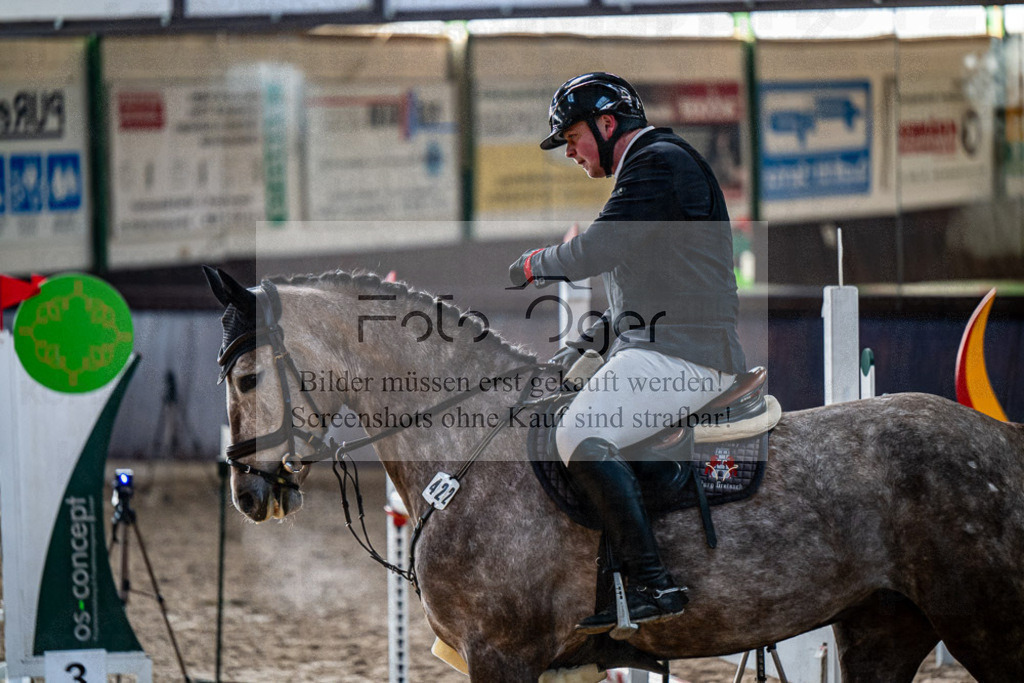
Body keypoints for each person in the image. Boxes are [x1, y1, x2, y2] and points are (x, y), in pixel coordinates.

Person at [508, 72, 747, 634]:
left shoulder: (656, 161)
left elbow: (595, 250)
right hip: (664, 342)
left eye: (572, 138)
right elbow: (638, 297)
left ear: (608, 124)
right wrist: (580, 349)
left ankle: (650, 581)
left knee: (576, 434)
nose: (569, 152)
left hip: (689, 354)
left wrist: (531, 264)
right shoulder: (650, 170)